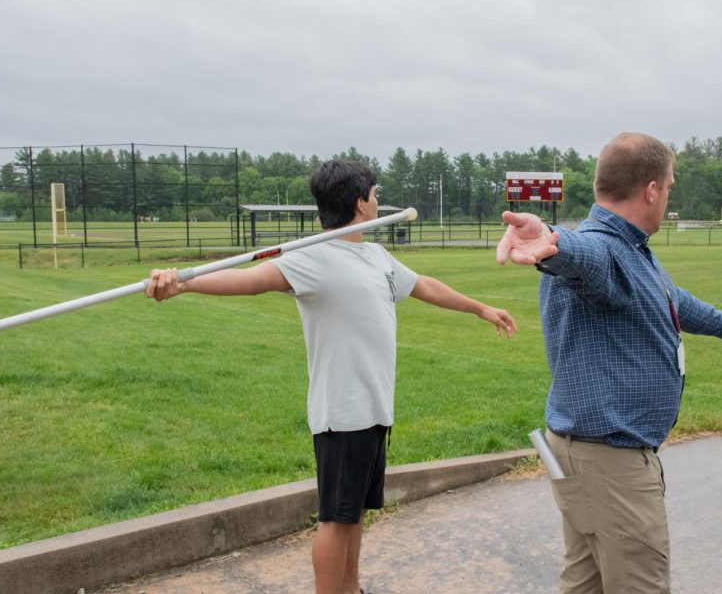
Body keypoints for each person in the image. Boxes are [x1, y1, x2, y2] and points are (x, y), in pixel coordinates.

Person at [146, 160, 517, 594]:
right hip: (342, 414)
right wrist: (184, 284)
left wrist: (480, 308)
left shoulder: (376, 256)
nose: (378, 201)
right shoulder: (312, 258)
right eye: (375, 194)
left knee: (355, 513)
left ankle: (351, 588)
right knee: (335, 521)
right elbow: (252, 279)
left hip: (375, 408)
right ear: (360, 203)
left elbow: (424, 286)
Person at [496, 132, 722, 593]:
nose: (668, 194)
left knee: (586, 581)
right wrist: (552, 240)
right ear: (651, 189)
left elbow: (670, 300)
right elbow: (586, 260)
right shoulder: (602, 249)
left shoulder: (632, 251)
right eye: (670, 185)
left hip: (589, 454)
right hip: (611, 464)